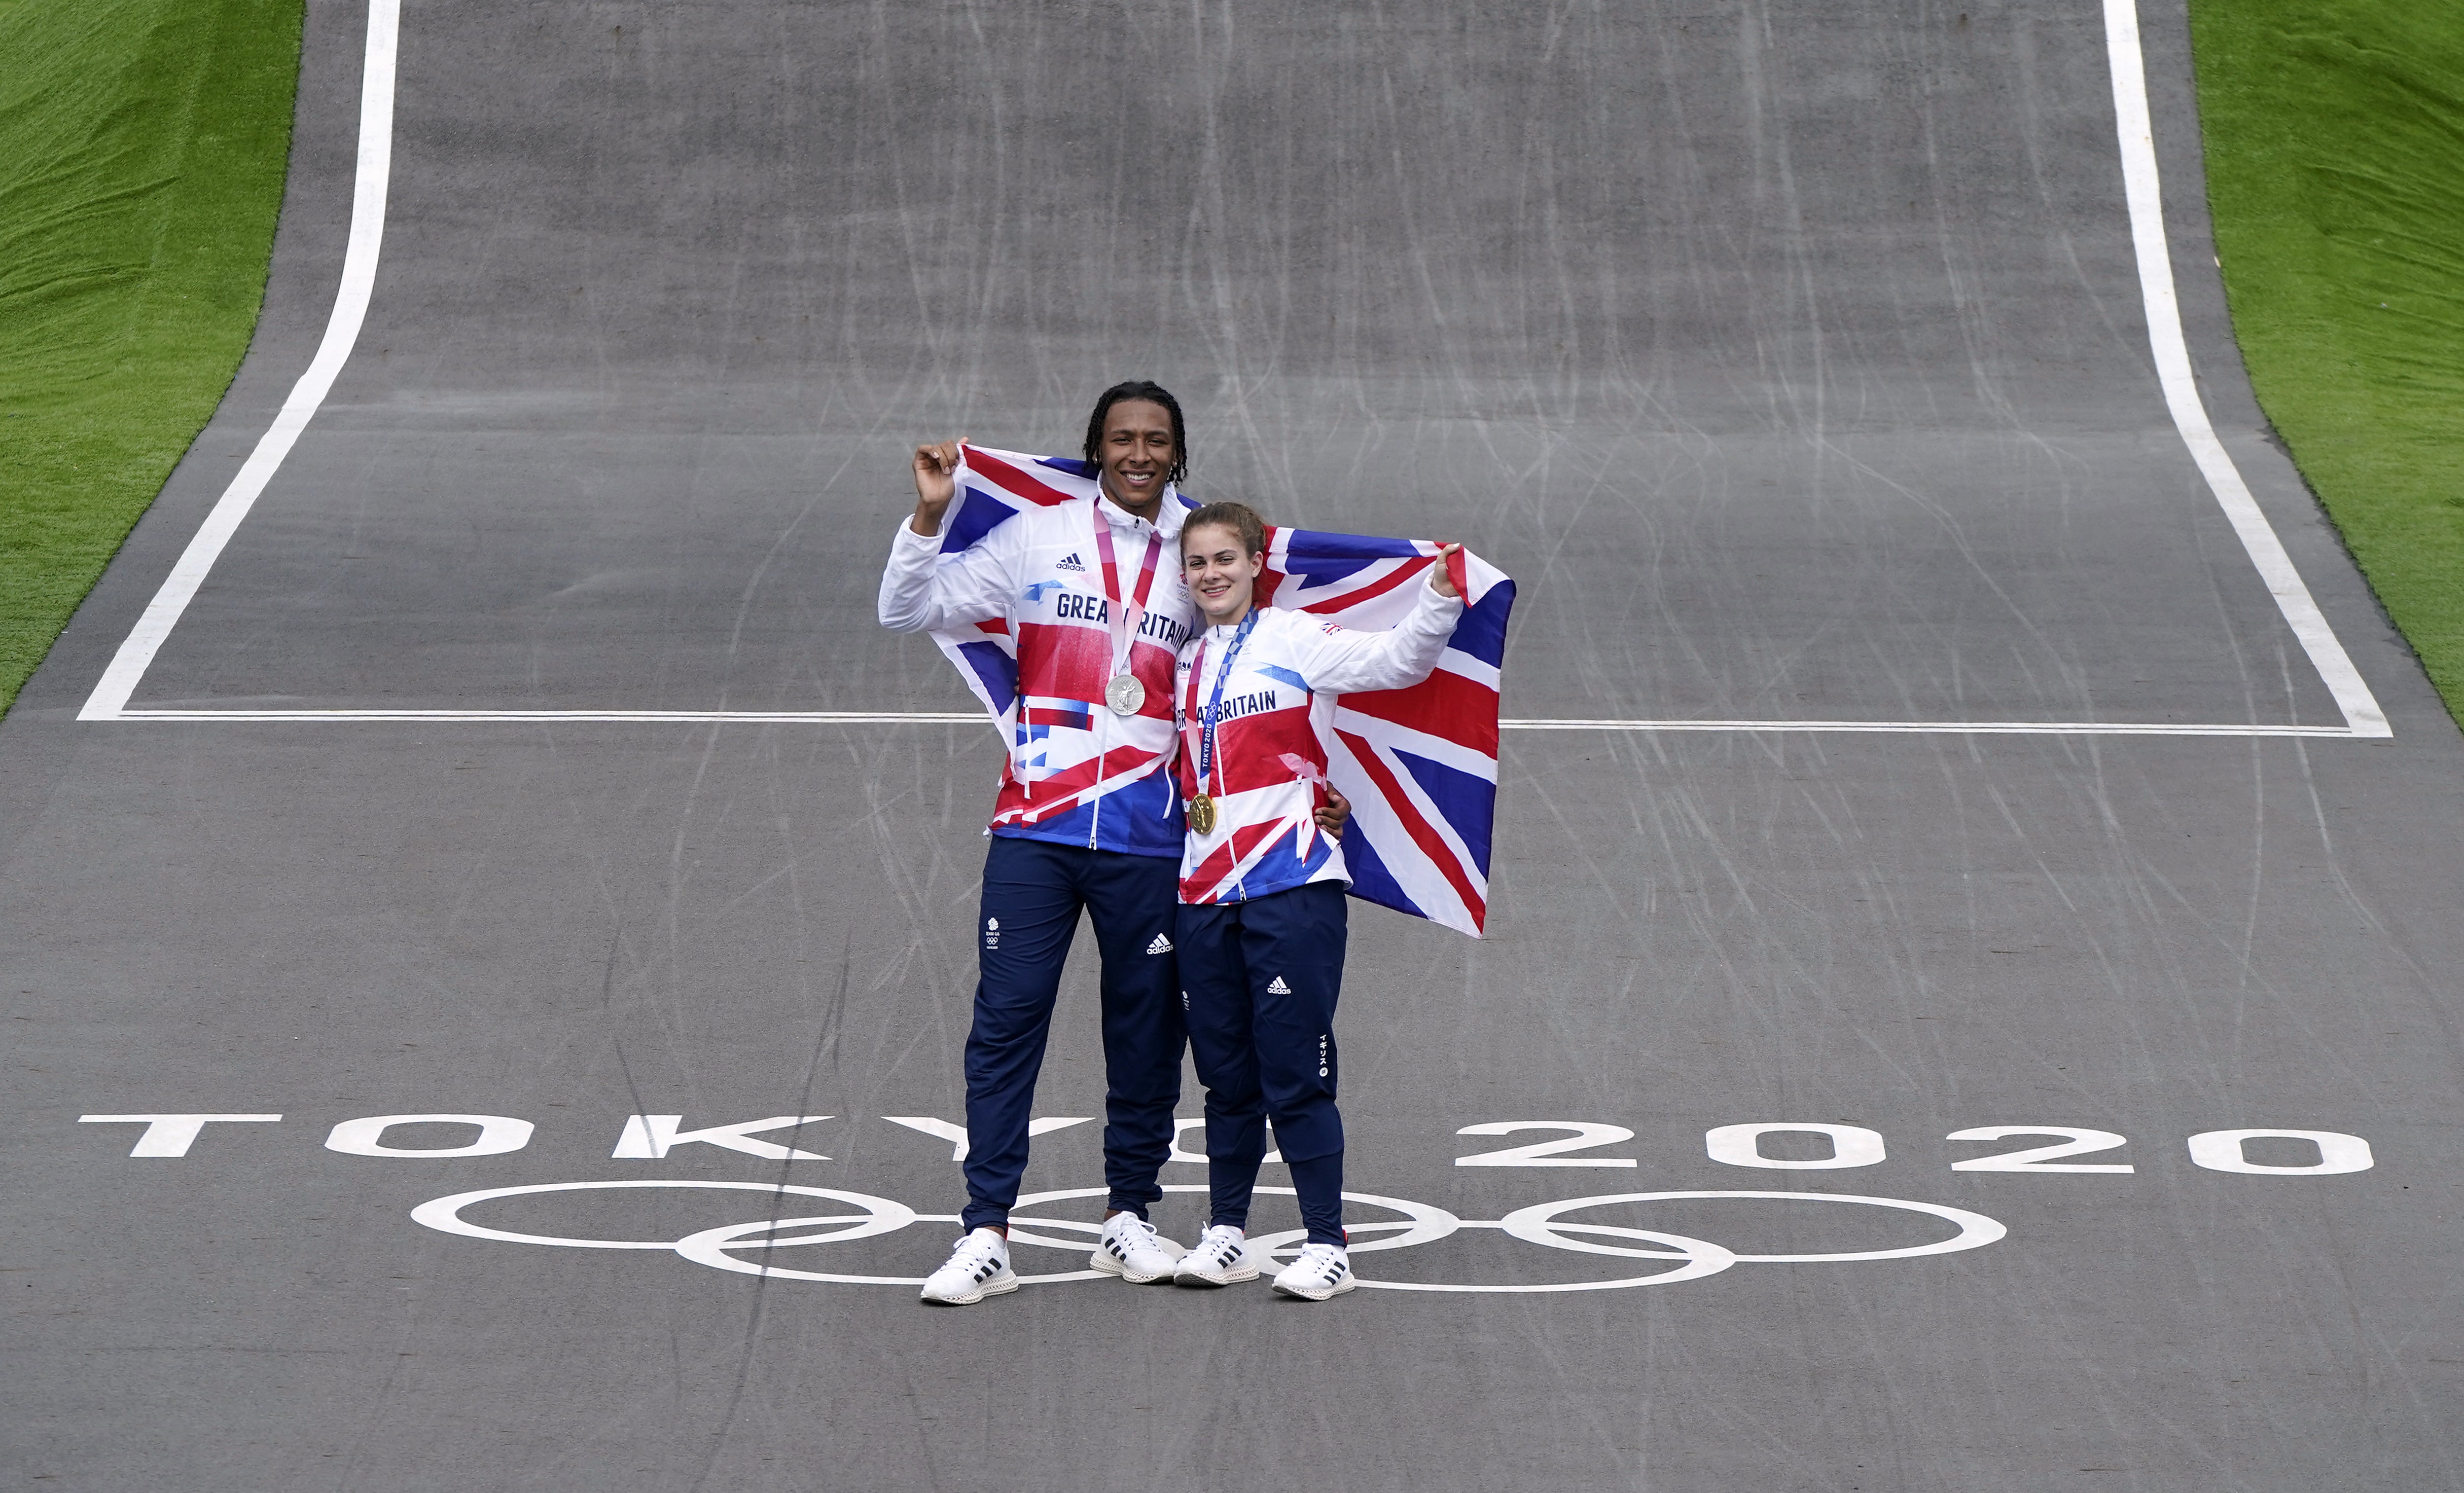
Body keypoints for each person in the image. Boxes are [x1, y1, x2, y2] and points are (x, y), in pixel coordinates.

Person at [876, 384, 1347, 1306]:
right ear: (1096, 448)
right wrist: (929, 517)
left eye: (1156, 440)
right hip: (1035, 826)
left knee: (1144, 1033)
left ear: (1177, 453)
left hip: (1152, 837)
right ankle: (986, 1233)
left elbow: (1284, 671)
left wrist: (1314, 791)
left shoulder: (1201, 551)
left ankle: (1128, 1215)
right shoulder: (1035, 536)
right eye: (1122, 438)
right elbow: (907, 607)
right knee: (1006, 1022)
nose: (1138, 452)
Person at [1160, 501, 1462, 1301]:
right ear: (1183, 575)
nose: (1212, 574)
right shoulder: (1183, 663)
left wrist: (1436, 594)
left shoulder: (1293, 637)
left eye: (1226, 558)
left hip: (1292, 885)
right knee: (1225, 1076)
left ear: (1258, 563)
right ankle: (1227, 1231)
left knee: (1294, 1071)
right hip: (1202, 892)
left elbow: (1399, 662)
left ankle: (1329, 1243)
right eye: (1197, 563)